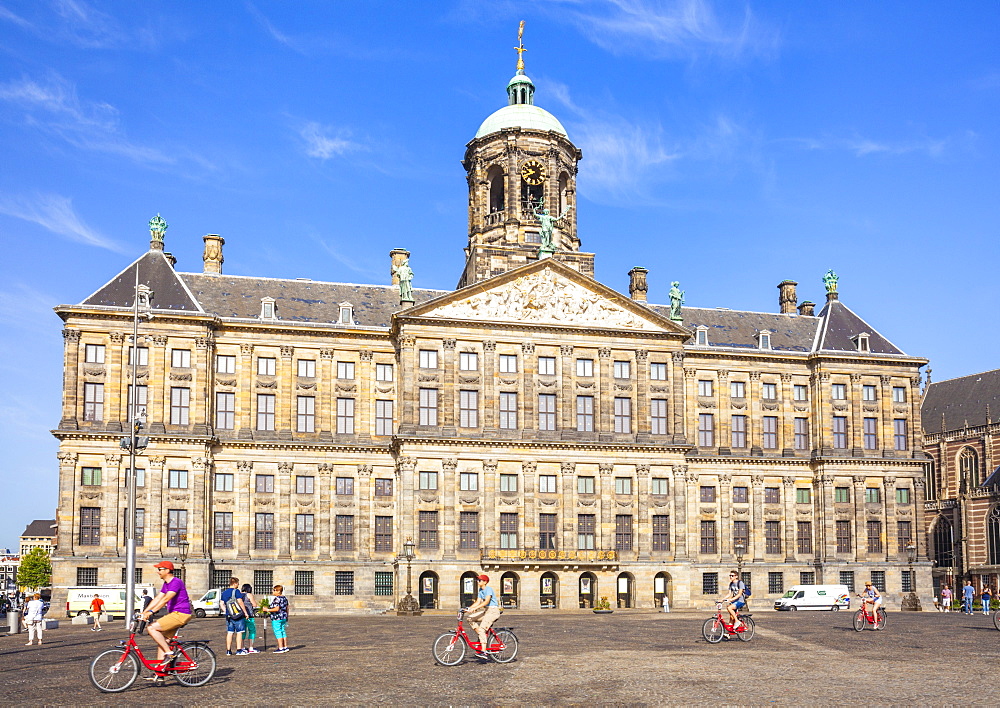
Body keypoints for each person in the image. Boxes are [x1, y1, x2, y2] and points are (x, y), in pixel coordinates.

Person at [139, 560, 192, 666]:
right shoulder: (166, 584)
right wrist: (144, 612)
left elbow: (165, 599)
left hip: (181, 613)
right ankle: (160, 672)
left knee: (151, 628)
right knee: (163, 642)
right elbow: (158, 598)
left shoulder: (176, 582)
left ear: (167, 570)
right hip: (174, 614)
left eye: (159, 569)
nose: (158, 572)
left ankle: (169, 653)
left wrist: (151, 612)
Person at [466, 574, 502, 659]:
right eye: (478, 580)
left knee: (482, 629)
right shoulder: (480, 590)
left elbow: (486, 601)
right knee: (470, 618)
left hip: (493, 611)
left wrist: (476, 608)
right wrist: (469, 608)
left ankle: (484, 652)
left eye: (480, 580)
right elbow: (478, 602)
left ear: (485, 582)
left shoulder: (488, 589)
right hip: (486, 611)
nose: (478, 581)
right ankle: (482, 636)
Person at [222, 577, 249, 656]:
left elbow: (221, 604)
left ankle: (228, 650)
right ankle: (239, 649)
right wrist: (245, 613)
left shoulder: (224, 592)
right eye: (238, 583)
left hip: (229, 615)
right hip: (238, 615)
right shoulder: (236, 591)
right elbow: (240, 602)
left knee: (230, 632)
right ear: (234, 583)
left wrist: (227, 611)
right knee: (239, 632)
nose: (238, 585)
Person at [262, 584, 289, 653]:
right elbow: (287, 607)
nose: (272, 592)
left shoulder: (277, 598)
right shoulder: (284, 598)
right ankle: (285, 646)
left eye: (274, 590)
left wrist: (267, 610)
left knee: (278, 632)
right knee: (283, 631)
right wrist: (287, 616)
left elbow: (276, 609)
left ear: (278, 591)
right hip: (283, 616)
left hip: (277, 617)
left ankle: (280, 648)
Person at [241, 583, 260, 653]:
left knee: (242, 632)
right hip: (249, 615)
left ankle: (242, 647)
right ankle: (251, 647)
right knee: (252, 631)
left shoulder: (240, 594)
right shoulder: (249, 595)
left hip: (241, 616)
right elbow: (254, 604)